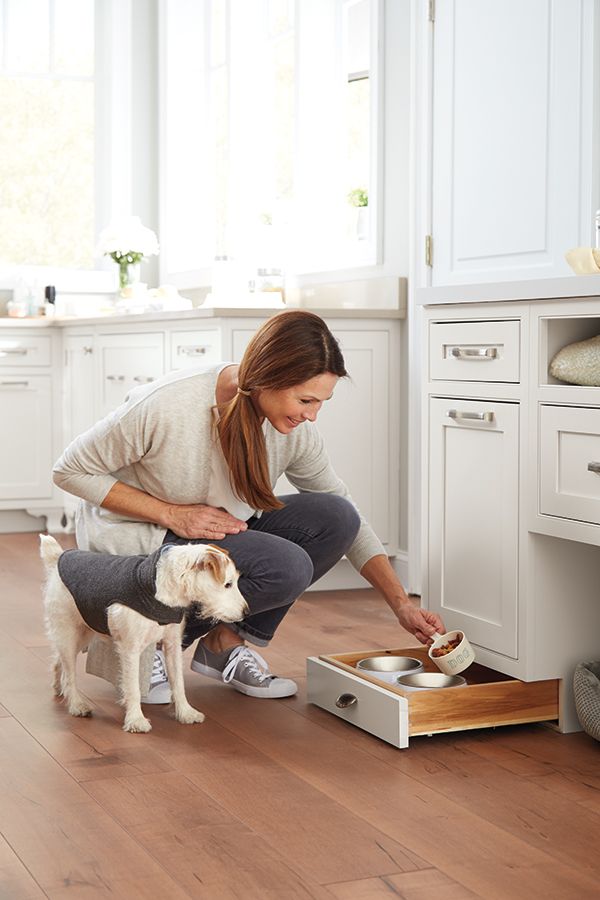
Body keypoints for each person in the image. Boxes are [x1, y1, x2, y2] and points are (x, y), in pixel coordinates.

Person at [53, 309, 445, 702]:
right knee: (286, 566)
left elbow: (349, 517)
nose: (311, 414)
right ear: (267, 378)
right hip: (144, 535)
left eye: (321, 402)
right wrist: (172, 513)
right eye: (305, 399)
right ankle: (153, 645)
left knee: (336, 516)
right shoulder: (168, 406)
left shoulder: (294, 432)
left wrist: (401, 605)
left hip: (214, 533)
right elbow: (70, 470)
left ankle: (222, 644)